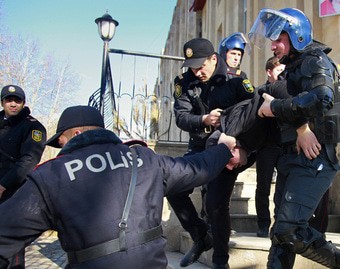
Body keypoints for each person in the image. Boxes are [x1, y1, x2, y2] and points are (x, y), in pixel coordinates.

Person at [0, 105, 237, 269]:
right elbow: (197, 167)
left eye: (61, 141)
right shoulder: (145, 159)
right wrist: (224, 148)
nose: (60, 148)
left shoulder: (51, 175)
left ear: (77, 133)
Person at [249, 8, 340, 268]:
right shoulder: (293, 67)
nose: (273, 45)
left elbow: (322, 97)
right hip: (290, 157)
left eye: (278, 38)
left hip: (314, 158)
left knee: (290, 229)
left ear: (296, 36)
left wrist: (275, 107)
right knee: (280, 235)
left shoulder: (315, 60)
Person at [171, 38, 255, 268]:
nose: (197, 72)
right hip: (198, 147)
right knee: (174, 187)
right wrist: (204, 120)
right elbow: (181, 117)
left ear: (214, 59)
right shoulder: (183, 82)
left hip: (225, 147)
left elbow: (254, 110)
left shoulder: (235, 79)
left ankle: (220, 262)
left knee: (216, 205)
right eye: (192, 67)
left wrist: (241, 144)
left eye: (201, 66)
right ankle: (200, 236)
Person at [0, 84, 46, 269]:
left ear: (23, 103)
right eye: (8, 100)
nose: (12, 104)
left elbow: (29, 160)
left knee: (10, 241)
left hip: (13, 192)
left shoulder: (33, 127)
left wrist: (3, 185)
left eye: (17, 100)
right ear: (2, 102)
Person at [254, 56, 285, 238]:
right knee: (263, 187)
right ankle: (263, 225)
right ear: (269, 72)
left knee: (282, 188)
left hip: (284, 145)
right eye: (278, 72)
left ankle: (279, 225)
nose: (282, 76)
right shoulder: (260, 92)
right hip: (266, 146)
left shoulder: (287, 90)